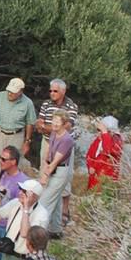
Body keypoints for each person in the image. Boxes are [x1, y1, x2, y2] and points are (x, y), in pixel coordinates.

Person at [37, 79, 81, 224]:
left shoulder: (71, 106)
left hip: (63, 145)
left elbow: (67, 127)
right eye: (50, 90)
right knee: (44, 172)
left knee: (65, 178)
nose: (52, 93)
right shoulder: (46, 104)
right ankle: (50, 217)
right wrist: (50, 128)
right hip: (48, 142)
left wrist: (47, 127)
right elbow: (39, 124)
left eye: (55, 91)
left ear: (63, 91)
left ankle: (64, 210)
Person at [36, 109, 75, 236]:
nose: (55, 123)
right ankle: (55, 229)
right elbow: (48, 152)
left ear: (64, 124)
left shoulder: (67, 140)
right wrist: (45, 165)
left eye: (58, 121)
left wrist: (44, 176)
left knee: (44, 202)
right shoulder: (53, 133)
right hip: (53, 168)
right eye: (54, 120)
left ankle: (38, 233)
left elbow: (55, 161)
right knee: (56, 199)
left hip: (61, 171)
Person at [0, 78, 38, 173]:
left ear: (20, 92)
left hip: (17, 136)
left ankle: (13, 182)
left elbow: (29, 123)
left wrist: (27, 142)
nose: (10, 94)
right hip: (0, 134)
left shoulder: (28, 103)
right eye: (9, 91)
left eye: (13, 92)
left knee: (14, 163)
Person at [86, 115, 123, 190]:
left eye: (100, 130)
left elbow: (108, 151)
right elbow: (89, 155)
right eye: (98, 130)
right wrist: (90, 166)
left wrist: (105, 133)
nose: (99, 133)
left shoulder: (117, 140)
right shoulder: (98, 140)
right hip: (94, 177)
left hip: (107, 178)